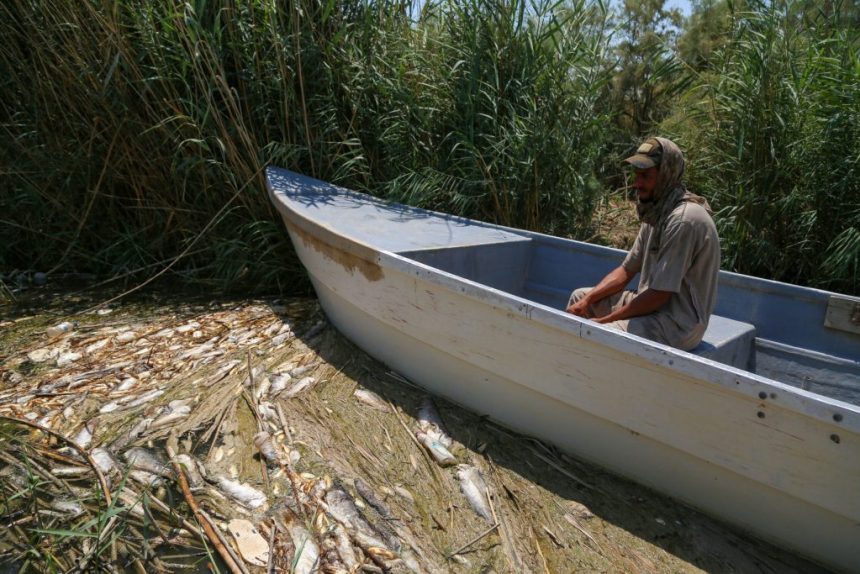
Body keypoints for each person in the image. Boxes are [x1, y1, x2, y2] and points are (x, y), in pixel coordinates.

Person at [565, 137, 720, 351]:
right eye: (637, 175)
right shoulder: (656, 211)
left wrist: (605, 321)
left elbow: (658, 295)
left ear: (666, 175)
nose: (637, 183)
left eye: (646, 176)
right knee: (579, 297)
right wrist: (588, 300)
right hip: (653, 308)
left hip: (677, 324)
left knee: (606, 331)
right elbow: (626, 271)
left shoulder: (684, 220)